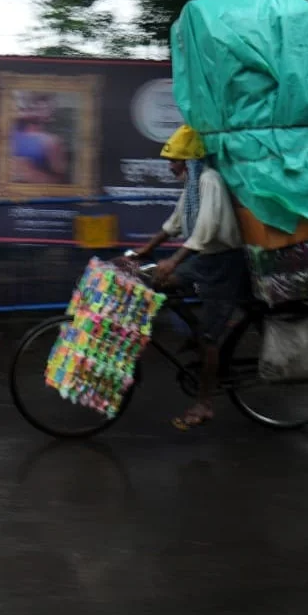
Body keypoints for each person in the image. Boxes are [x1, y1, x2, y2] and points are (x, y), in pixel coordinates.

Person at [129, 125, 247, 430]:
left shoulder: (209, 180)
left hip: (223, 263)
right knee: (157, 281)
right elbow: (174, 223)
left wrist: (172, 260)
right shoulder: (193, 183)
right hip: (203, 259)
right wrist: (144, 252)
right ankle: (194, 334)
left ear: (189, 160)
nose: (171, 167)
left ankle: (204, 404)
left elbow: (204, 233)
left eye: (175, 161)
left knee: (210, 338)